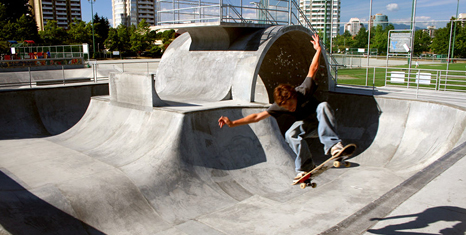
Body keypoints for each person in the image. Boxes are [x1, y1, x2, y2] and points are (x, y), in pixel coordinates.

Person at [218, 34, 351, 182]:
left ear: (294, 96)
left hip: (322, 123)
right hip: (309, 127)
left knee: (323, 106)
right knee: (290, 134)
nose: (291, 108)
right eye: (287, 107)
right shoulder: (280, 106)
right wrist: (233, 123)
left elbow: (313, 69)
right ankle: (306, 166)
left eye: (292, 104)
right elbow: (256, 117)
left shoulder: (303, 90)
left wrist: (318, 50)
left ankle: (334, 146)